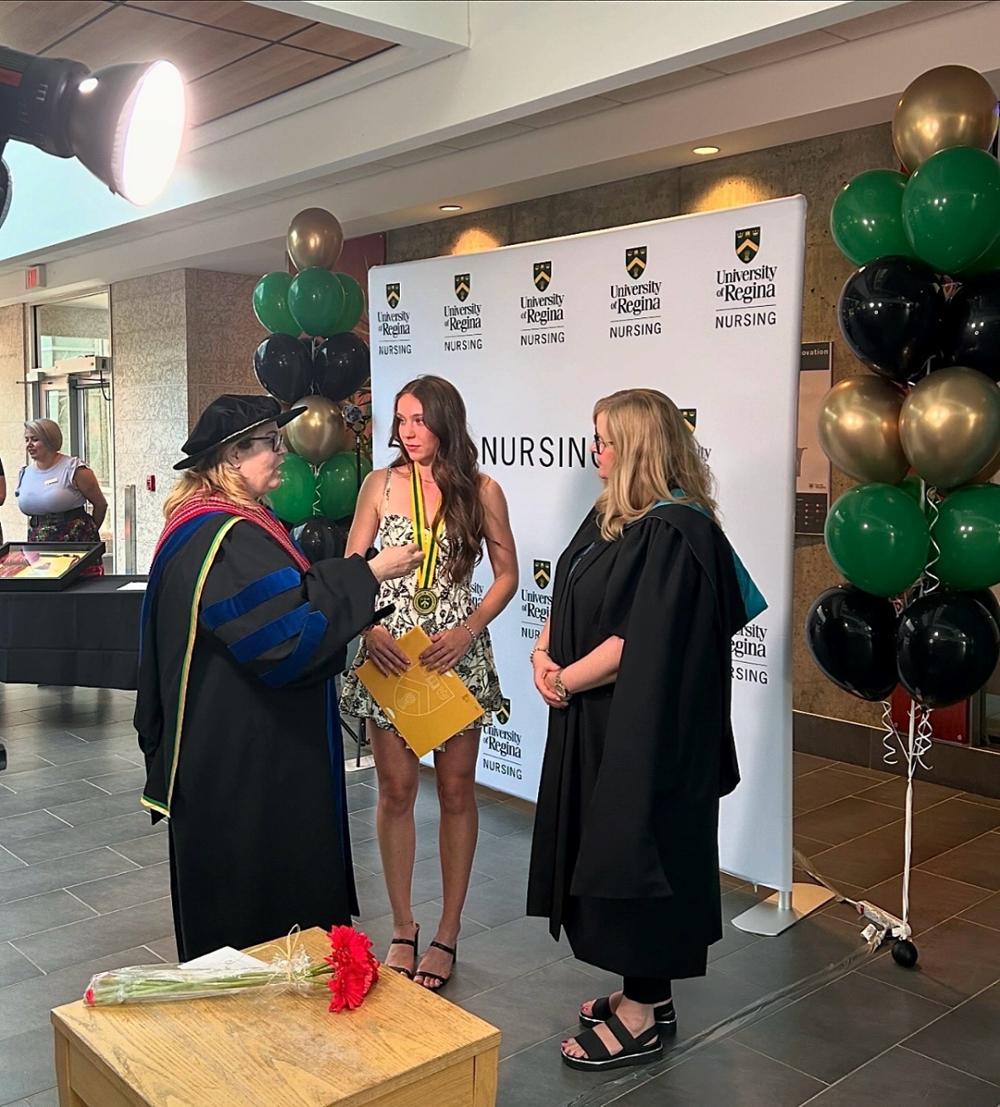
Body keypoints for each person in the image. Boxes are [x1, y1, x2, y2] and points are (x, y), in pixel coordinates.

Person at [526, 388, 765, 1072]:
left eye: (602, 440)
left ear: (635, 447)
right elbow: (565, 590)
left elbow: (640, 643)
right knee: (609, 847)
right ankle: (643, 989)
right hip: (600, 718)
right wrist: (545, 655)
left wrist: (566, 678)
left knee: (640, 849)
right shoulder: (609, 516)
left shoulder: (676, 531)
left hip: (649, 732)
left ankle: (642, 1014)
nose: (593, 452)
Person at [135, 395, 422, 960]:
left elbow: (286, 604)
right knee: (258, 908)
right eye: (270, 442)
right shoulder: (227, 537)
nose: (282, 452)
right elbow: (284, 636)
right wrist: (369, 573)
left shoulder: (211, 523)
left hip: (227, 739)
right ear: (233, 457)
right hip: (247, 758)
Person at [341, 375, 518, 991]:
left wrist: (469, 629)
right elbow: (350, 568)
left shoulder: (481, 489)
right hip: (389, 654)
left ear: (446, 420)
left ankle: (446, 932)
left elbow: (507, 575)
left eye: (418, 420)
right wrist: (366, 627)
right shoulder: (377, 484)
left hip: (451, 655)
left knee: (456, 792)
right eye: (400, 420)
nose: (406, 432)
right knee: (393, 792)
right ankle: (402, 926)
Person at [17, 419, 107, 544]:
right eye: (27, 440)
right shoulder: (25, 472)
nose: (29, 444)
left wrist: (89, 533)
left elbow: (101, 505)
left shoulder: (74, 469)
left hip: (75, 541)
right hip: (38, 544)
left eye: (35, 439)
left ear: (50, 440)